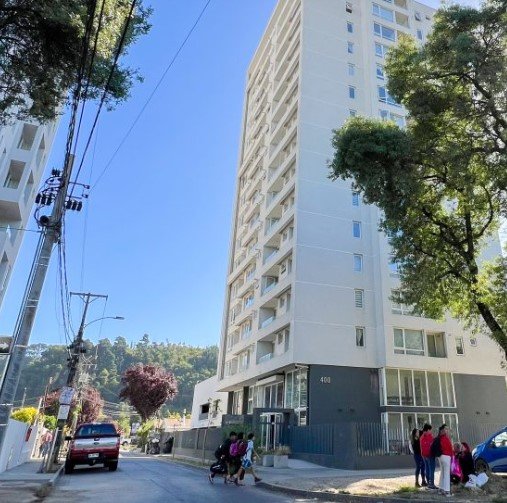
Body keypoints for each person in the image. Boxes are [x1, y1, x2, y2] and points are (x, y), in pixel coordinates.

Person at [437, 424, 453, 497]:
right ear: (443, 430)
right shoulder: (445, 438)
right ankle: (447, 491)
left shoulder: (439, 437)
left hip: (440, 457)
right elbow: (449, 448)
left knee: (443, 473)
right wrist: (452, 455)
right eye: (446, 429)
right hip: (446, 456)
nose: (447, 430)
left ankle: (441, 489)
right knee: (446, 474)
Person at [420, 424, 437, 490]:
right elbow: (432, 445)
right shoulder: (429, 436)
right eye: (430, 430)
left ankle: (428, 483)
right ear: (428, 430)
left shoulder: (422, 437)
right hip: (430, 455)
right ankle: (431, 484)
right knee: (431, 469)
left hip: (424, 455)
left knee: (427, 469)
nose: (431, 431)